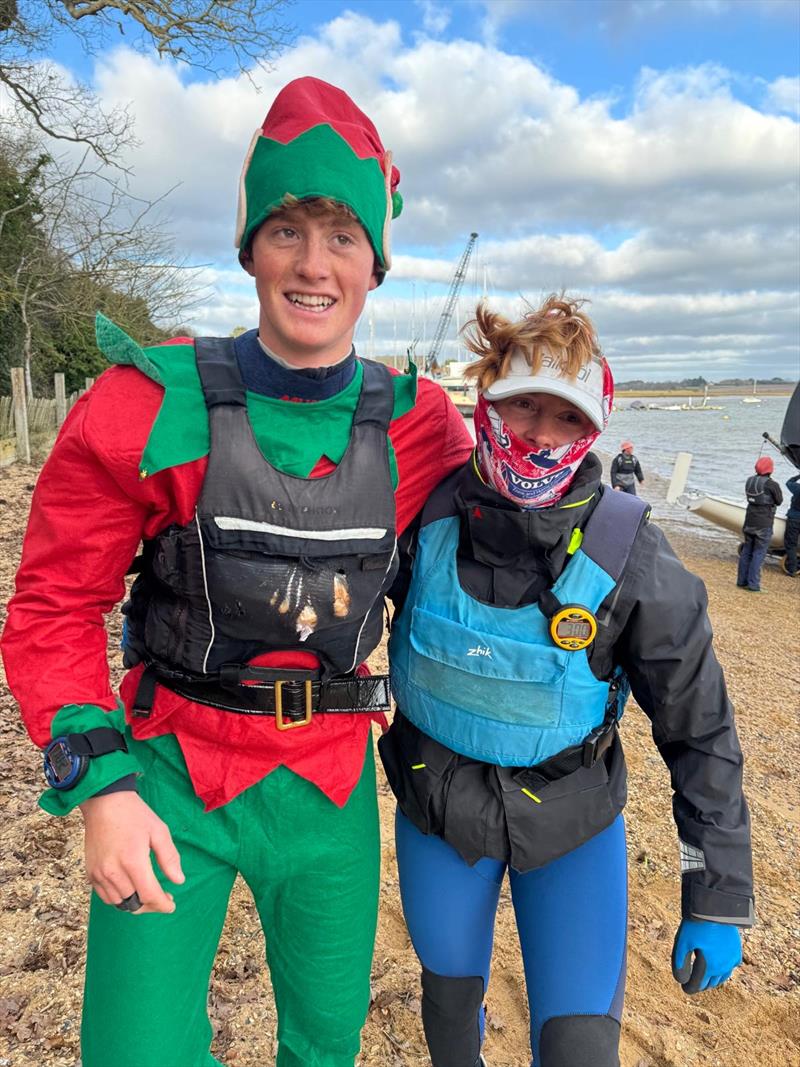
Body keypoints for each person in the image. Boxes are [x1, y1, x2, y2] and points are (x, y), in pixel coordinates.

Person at [1, 77, 473, 1067]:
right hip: (169, 773)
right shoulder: (147, 404)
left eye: (342, 235)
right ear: (250, 247)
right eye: (286, 229)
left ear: (376, 264)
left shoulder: (418, 423)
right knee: (133, 1050)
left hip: (330, 785)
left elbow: (502, 534)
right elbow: (54, 605)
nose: (313, 263)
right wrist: (100, 785)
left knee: (325, 1042)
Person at [378, 296, 754, 1067]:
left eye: (567, 418)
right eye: (524, 406)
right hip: (438, 813)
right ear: (488, 400)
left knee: (580, 1049)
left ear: (594, 429)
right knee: (449, 1024)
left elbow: (699, 729)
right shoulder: (421, 514)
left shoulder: (634, 554)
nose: (541, 435)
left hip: (572, 823)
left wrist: (714, 892)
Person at [736, 456, 783, 592]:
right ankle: (753, 585)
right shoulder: (772, 484)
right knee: (759, 553)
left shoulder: (749, 480)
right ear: (770, 469)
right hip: (764, 523)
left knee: (747, 551)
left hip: (749, 520)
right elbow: (779, 501)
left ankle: (741, 581)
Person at [782, 472, 799, 577]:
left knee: (791, 544)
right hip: (795, 518)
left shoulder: (797, 488)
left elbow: (789, 482)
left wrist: (798, 476)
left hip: (794, 519)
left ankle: (792, 570)